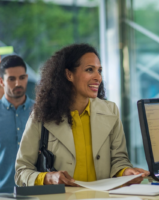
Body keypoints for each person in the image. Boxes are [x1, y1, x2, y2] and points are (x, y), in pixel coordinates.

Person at [15, 44, 149, 187]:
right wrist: (48, 178)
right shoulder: (42, 115)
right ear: (69, 74)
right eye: (89, 70)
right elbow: (21, 172)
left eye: (100, 71)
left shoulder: (111, 111)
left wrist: (126, 172)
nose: (98, 77)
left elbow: (119, 160)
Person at [0, 55, 34, 193]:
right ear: (1, 81)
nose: (18, 83)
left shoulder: (41, 112)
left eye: (22, 78)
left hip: (35, 193)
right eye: (11, 79)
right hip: (2, 194)